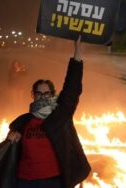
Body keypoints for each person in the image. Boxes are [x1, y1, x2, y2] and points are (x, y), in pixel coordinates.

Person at [6, 36, 91, 188]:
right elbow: (10, 148)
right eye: (38, 93)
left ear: (52, 94)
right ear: (33, 95)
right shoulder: (23, 121)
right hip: (25, 181)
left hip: (54, 181)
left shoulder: (60, 116)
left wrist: (77, 53)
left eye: (46, 93)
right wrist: (12, 135)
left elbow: (72, 88)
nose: (42, 97)